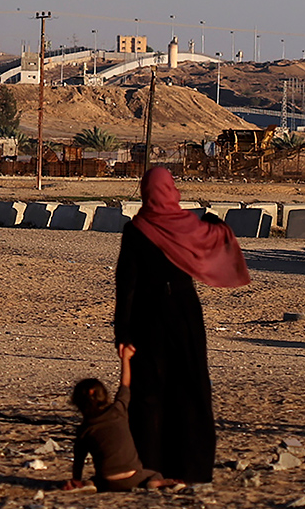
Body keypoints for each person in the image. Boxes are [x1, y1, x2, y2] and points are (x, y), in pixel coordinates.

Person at [114, 166, 250, 484]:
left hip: (146, 319)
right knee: (190, 387)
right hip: (184, 314)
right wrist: (215, 222)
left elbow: (126, 286)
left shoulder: (136, 230)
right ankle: (192, 468)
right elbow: (217, 234)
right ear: (171, 191)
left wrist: (122, 333)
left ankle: (148, 466)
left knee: (148, 393)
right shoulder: (190, 226)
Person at [64, 345, 174, 492]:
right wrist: (125, 359)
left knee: (94, 480)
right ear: (104, 396)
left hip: (106, 481)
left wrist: (76, 479)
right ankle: (156, 483)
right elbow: (125, 385)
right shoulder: (118, 410)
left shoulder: (84, 429)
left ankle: (88, 485)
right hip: (133, 477)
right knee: (154, 474)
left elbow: (79, 460)